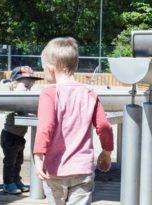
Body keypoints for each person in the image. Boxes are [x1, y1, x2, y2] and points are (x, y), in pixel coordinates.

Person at [33, 37, 114, 205]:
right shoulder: (89, 93)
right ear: (74, 66)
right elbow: (104, 126)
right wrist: (106, 152)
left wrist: (39, 157)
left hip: (54, 169)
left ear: (50, 68)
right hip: (82, 170)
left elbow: (45, 126)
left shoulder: (49, 93)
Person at [1, 66, 42, 194]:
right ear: (15, 83)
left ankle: (16, 179)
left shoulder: (24, 96)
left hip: (19, 136)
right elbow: (19, 110)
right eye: (26, 85)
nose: (29, 89)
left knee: (18, 161)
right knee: (10, 161)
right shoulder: (14, 97)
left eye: (30, 86)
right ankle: (8, 183)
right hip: (10, 136)